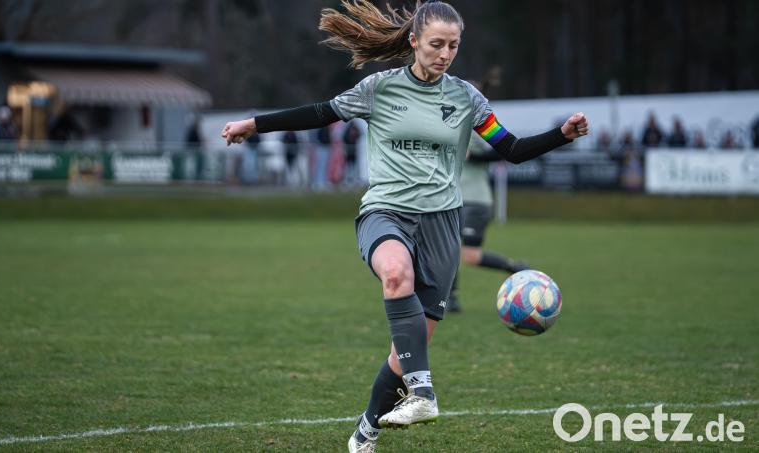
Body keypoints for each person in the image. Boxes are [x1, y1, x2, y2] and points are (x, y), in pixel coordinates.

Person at [220, 2, 588, 451]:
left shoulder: (467, 100)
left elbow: (510, 148)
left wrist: (561, 135)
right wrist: (253, 124)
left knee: (405, 354)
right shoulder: (380, 88)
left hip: (443, 226)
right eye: (436, 44)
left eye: (453, 45)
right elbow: (319, 113)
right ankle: (425, 393)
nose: (445, 53)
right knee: (396, 275)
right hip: (385, 212)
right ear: (414, 42)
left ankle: (367, 428)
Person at [447, 131, 529, 313]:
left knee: (470, 256)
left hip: (476, 201)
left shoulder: (472, 131)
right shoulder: (440, 128)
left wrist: (472, 155)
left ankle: (514, 267)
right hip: (451, 200)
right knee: (448, 249)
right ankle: (450, 300)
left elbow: (500, 152)